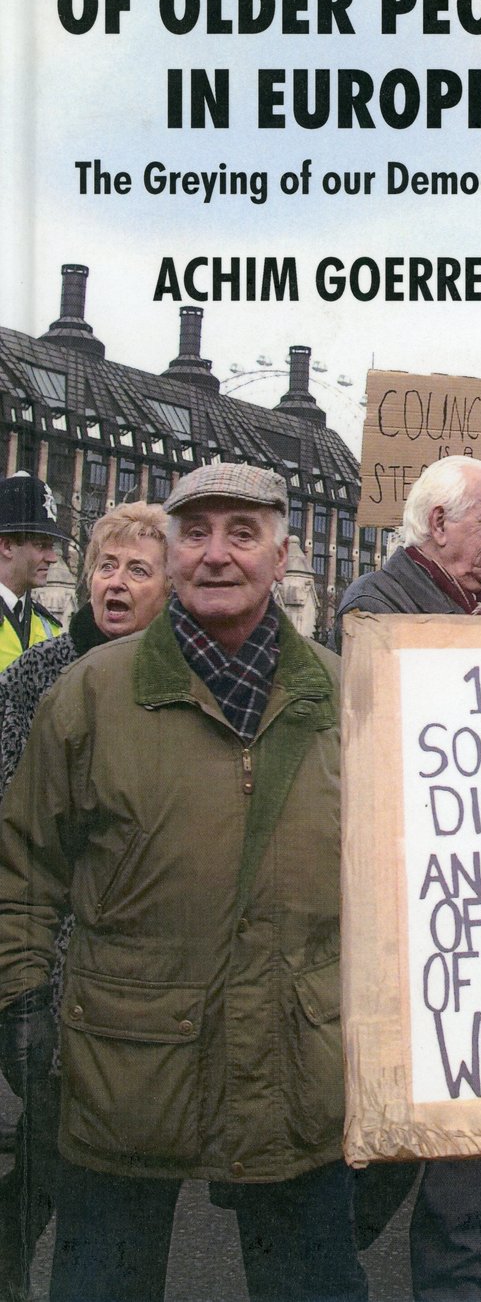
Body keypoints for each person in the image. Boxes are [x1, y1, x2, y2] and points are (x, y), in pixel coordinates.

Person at [0, 463, 366, 1302]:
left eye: (242, 533)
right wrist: (23, 1011)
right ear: (170, 556)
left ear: (282, 556)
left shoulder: (346, 696)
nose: (216, 553)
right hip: (122, 1077)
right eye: (194, 533)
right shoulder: (91, 694)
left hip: (299, 1074)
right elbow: (22, 869)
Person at [339, 455, 481, 1302]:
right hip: (418, 926)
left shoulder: (479, 611)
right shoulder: (373, 605)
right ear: (438, 525)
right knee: (393, 1153)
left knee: (473, 1162)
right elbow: (411, 721)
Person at [0, 501, 170, 1302]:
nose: (116, 583)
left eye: (139, 569)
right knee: (77, 1161)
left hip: (146, 982)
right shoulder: (35, 678)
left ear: (169, 588)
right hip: (55, 971)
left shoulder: (181, 685)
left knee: (82, 1164)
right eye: (106, 565)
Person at [0, 474, 67, 674]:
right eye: (41, 545)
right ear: (7, 546)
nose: (52, 558)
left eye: (51, 546)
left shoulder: (48, 626)